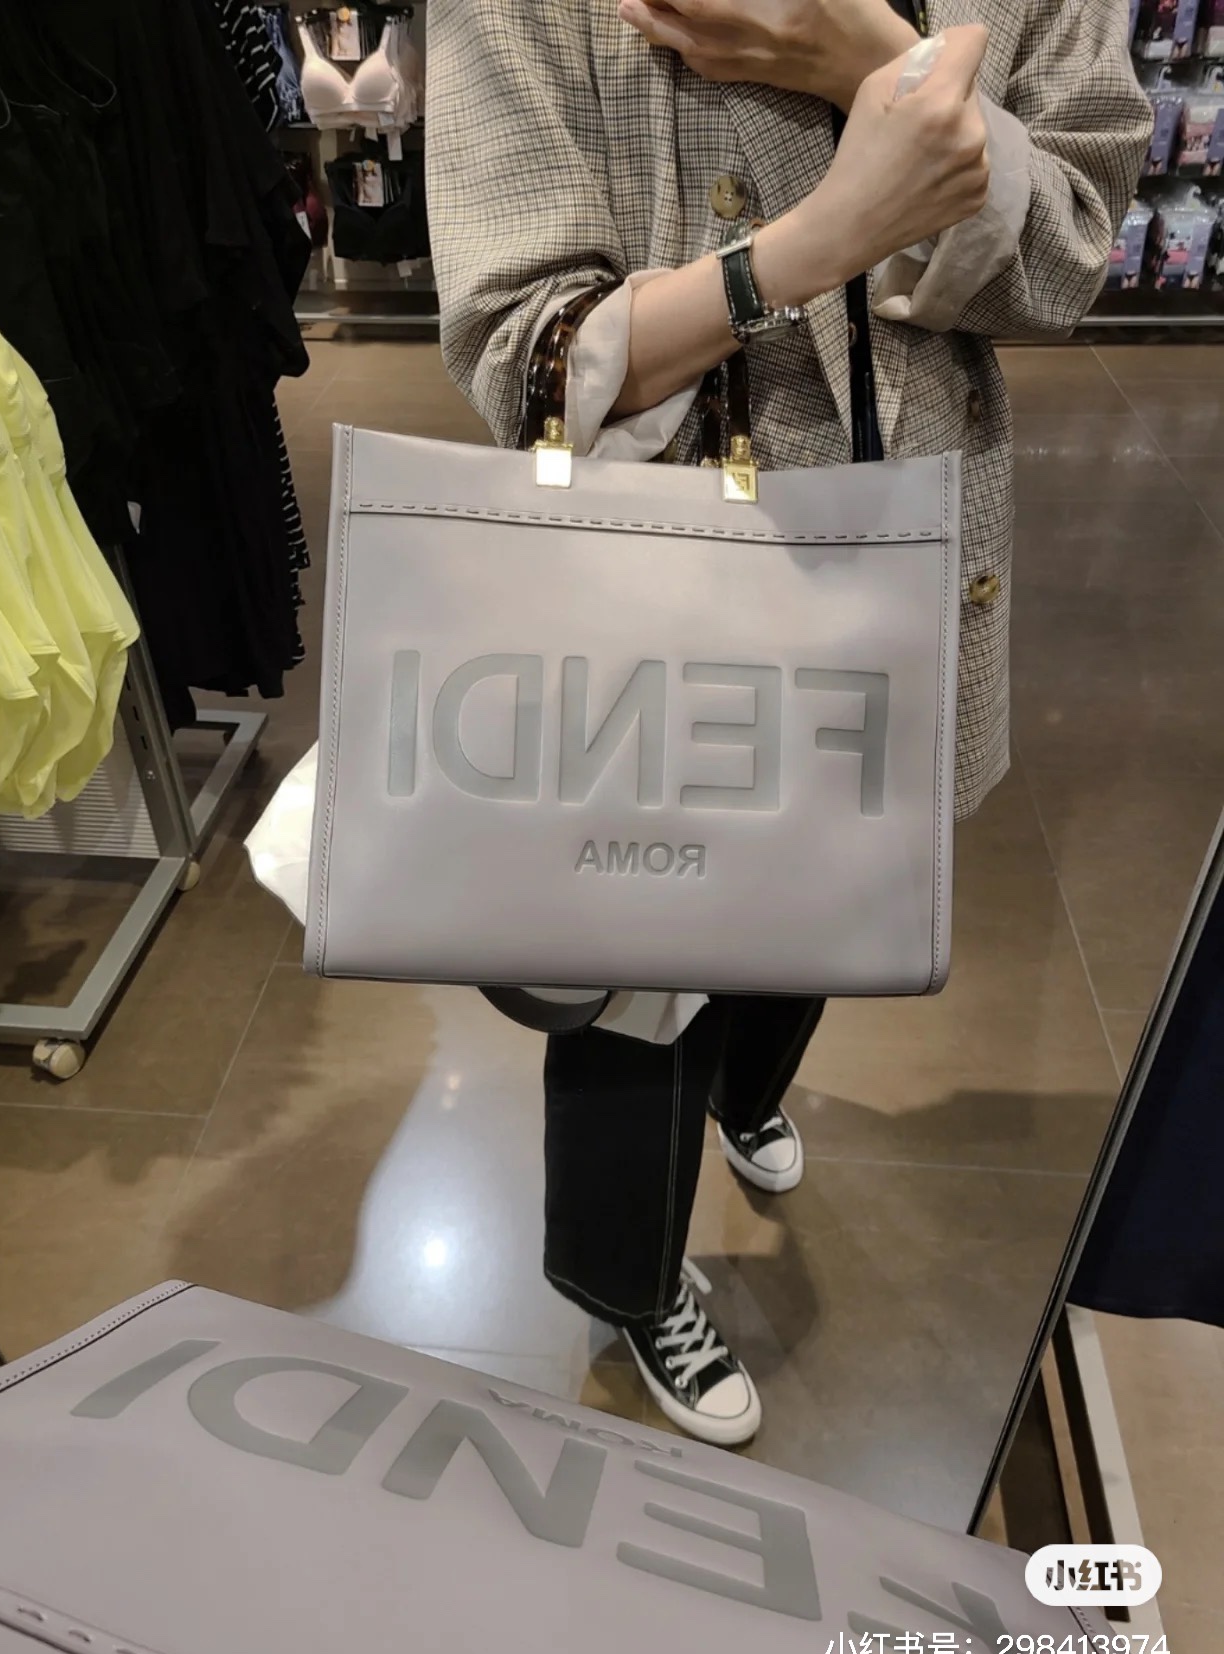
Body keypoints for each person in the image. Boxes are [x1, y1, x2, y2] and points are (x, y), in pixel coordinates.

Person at [425, 0, 1151, 1445]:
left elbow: (1070, 251)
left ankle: (748, 1089)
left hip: (905, 545)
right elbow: (523, 353)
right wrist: (810, 247)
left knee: (828, 895)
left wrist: (863, 58)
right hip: (659, 586)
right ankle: (630, 1283)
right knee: (638, 970)